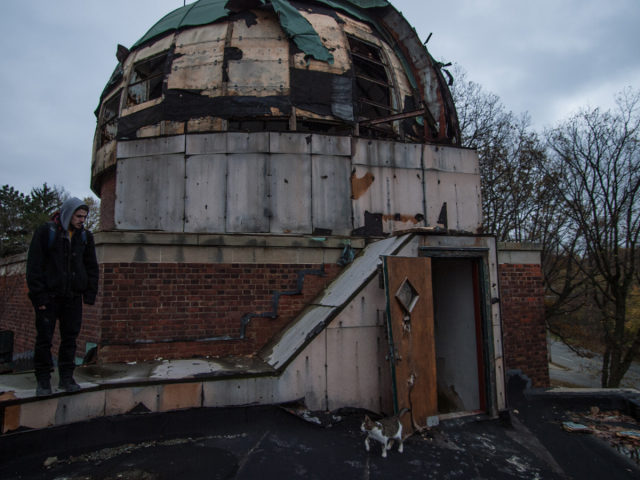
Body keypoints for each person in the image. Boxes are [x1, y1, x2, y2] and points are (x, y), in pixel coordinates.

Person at [26, 197, 99, 396]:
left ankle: (67, 377)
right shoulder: (46, 232)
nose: (82, 220)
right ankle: (43, 381)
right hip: (49, 297)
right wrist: (39, 297)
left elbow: (91, 266)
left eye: (84, 216)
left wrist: (89, 293)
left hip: (72, 297)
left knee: (70, 339)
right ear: (68, 213)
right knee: (44, 340)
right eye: (78, 216)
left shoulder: (85, 237)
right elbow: (34, 266)